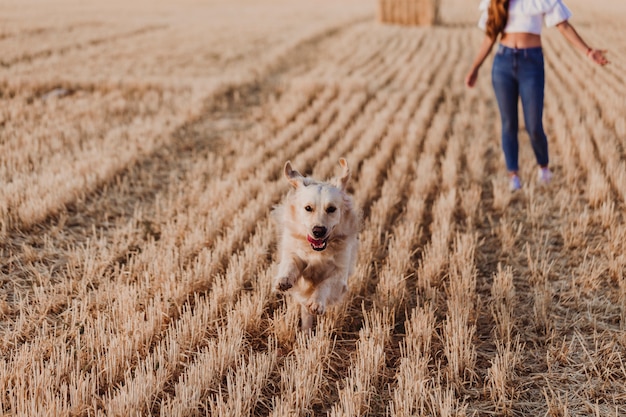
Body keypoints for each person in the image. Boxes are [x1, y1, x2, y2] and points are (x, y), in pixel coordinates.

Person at [465, 0, 609, 191]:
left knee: (533, 124)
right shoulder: (497, 1)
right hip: (503, 64)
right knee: (509, 123)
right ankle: (513, 175)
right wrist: (475, 68)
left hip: (531, 64)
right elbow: (489, 38)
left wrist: (588, 51)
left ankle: (543, 167)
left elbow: (563, 26)